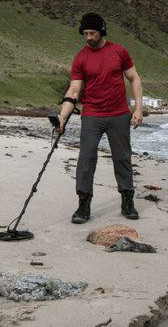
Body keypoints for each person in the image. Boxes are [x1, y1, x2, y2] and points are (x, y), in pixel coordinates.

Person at [56, 12, 143, 224]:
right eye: (85, 33)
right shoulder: (80, 58)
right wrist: (61, 117)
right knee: (86, 159)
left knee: (122, 158)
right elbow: (74, 90)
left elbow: (134, 78)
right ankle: (83, 205)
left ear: (102, 31)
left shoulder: (119, 51)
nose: (88, 38)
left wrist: (138, 108)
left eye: (92, 33)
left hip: (119, 114)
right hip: (92, 115)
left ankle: (127, 201)